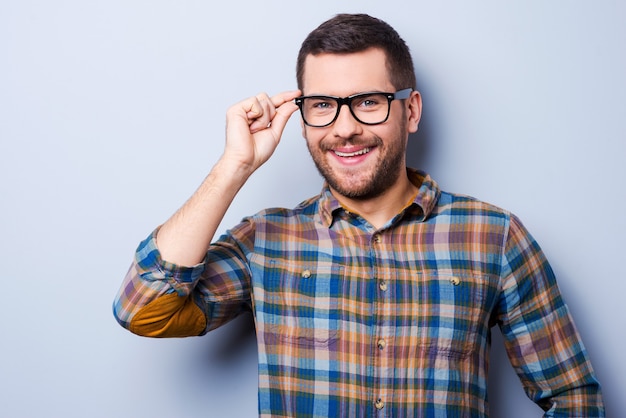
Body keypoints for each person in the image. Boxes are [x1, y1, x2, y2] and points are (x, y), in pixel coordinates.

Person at [113, 13, 604, 417]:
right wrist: (234, 166)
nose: (344, 129)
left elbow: (573, 397)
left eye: (368, 103)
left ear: (410, 111)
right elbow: (143, 310)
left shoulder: (493, 238)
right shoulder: (266, 239)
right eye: (323, 105)